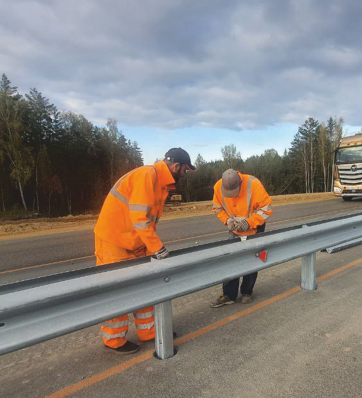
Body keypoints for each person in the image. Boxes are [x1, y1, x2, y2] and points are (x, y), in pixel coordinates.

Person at [92, 147, 195, 353]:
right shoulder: (148, 176)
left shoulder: (160, 183)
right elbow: (139, 218)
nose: (184, 175)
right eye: (185, 170)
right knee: (117, 292)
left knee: (144, 288)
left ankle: (148, 332)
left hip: (135, 242)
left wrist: (150, 247)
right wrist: (158, 248)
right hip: (115, 241)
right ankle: (114, 340)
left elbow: (146, 221)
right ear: (176, 166)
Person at [210, 168, 273, 307]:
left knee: (252, 260)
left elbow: (266, 208)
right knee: (230, 260)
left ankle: (246, 292)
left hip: (255, 227)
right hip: (234, 229)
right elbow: (218, 208)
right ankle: (229, 295)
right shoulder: (218, 187)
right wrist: (227, 221)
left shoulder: (253, 184)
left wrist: (249, 222)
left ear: (239, 181)